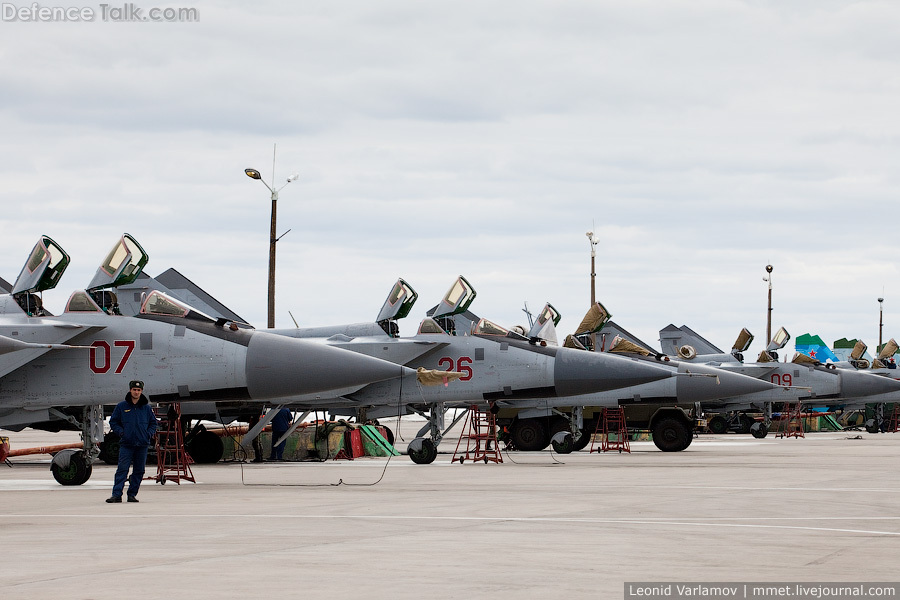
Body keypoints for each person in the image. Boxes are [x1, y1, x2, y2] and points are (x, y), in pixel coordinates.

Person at [106, 380, 157, 503]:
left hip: (142, 444)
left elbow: (153, 423)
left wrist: (148, 434)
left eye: (138, 390)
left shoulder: (146, 408)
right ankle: (116, 495)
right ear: (130, 390)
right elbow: (113, 422)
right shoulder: (122, 406)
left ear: (141, 391)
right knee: (122, 469)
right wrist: (122, 433)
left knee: (139, 471)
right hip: (127, 444)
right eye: (134, 390)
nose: (136, 392)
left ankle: (132, 494)